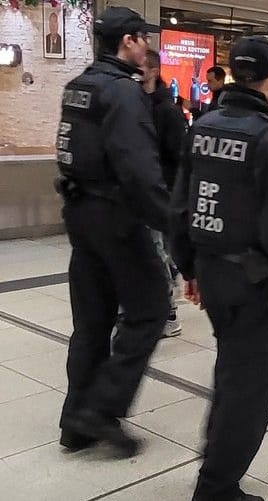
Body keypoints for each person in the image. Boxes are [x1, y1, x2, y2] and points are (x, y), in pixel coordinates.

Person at [169, 36, 268, 501]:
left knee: (232, 368)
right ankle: (217, 486)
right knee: (250, 387)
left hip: (212, 272)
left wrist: (189, 268)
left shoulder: (204, 127)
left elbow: (180, 206)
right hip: (257, 282)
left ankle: (216, 459)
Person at [55, 7, 169, 457]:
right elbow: (139, 170)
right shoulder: (122, 93)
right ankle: (102, 410)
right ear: (128, 42)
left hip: (79, 213)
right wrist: (171, 223)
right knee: (151, 309)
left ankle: (74, 422)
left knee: (92, 322)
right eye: (143, 39)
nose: (146, 47)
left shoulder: (78, 85)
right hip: (116, 219)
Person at [142, 49, 189, 337]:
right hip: (142, 188)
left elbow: (180, 154)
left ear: (153, 70)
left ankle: (168, 312)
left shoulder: (166, 110)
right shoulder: (136, 103)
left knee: (157, 250)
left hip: (161, 190)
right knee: (159, 250)